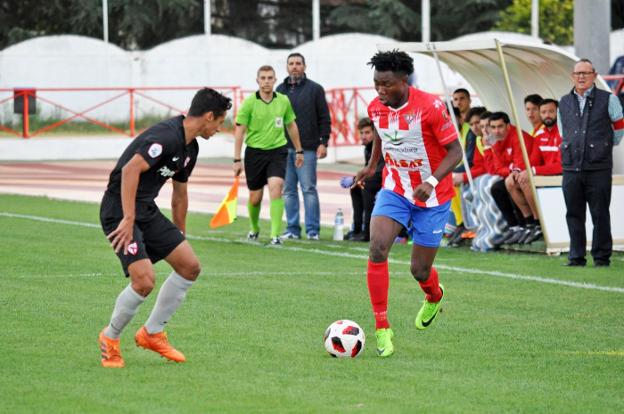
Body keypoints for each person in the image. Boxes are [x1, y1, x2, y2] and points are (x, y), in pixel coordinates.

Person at [97, 88, 232, 368]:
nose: (220, 128)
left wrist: (178, 234)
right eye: (220, 122)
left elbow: (179, 194)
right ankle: (110, 339)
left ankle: (152, 333)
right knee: (144, 281)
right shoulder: (166, 137)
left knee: (189, 266)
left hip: (145, 210)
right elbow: (130, 171)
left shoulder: (190, 148)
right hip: (119, 211)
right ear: (209, 116)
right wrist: (128, 218)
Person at [354, 50, 462, 358]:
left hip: (433, 196)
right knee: (377, 247)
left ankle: (434, 295)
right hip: (396, 189)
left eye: (386, 84)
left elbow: (455, 152)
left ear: (404, 81)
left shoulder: (430, 107)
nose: (380, 90)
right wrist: (373, 166)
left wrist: (430, 181)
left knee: (419, 269)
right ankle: (382, 327)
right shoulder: (376, 107)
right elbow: (379, 135)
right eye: (376, 83)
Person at [558, 58, 624, 267]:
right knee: (573, 213)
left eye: (586, 73)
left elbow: (619, 127)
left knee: (600, 213)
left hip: (599, 166)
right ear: (572, 76)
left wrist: (604, 145)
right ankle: (576, 256)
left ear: (595, 75)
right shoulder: (564, 102)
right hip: (571, 167)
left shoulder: (609, 99)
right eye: (578, 73)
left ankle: (601, 257)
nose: (581, 77)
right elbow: (563, 132)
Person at [234, 65, 305, 246]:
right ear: (257, 81)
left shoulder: (283, 100)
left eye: (270, 78)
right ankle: (254, 228)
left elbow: (291, 125)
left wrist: (299, 150)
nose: (266, 81)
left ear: (274, 80)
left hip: (277, 151)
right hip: (254, 153)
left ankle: (275, 235)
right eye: (263, 78)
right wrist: (236, 159)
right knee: (255, 198)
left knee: (276, 187)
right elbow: (240, 130)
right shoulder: (249, 102)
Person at [277, 53, 331, 241]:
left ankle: (312, 230)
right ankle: (292, 228)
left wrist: (324, 142)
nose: (294, 67)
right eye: (291, 63)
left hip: (308, 148)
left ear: (304, 67)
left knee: (308, 188)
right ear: (286, 67)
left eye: (298, 63)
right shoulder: (279, 90)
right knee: (289, 190)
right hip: (283, 148)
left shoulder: (315, 89)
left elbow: (324, 117)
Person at [505, 98, 562, 244]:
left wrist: (532, 171)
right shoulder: (540, 136)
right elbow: (533, 160)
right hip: (547, 176)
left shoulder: (564, 134)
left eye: (551, 111)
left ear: (558, 113)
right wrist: (518, 170)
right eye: (544, 112)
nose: (547, 115)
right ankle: (530, 222)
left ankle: (539, 224)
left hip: (562, 176)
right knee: (510, 182)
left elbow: (562, 165)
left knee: (527, 180)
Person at [488, 111, 534, 245]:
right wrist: (511, 169)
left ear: (508, 126)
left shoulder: (517, 136)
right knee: (497, 188)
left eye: (500, 126)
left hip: (530, 172)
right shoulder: (496, 142)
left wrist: (513, 169)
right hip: (516, 174)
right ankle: (515, 227)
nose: (497, 131)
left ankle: (529, 224)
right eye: (494, 127)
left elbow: (521, 162)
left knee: (511, 183)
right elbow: (497, 168)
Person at [345, 117, 384, 242]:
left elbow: (379, 170)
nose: (363, 136)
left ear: (375, 133)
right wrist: (356, 179)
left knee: (365, 187)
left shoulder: (379, 146)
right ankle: (356, 229)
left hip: (385, 179)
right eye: (361, 133)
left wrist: (359, 179)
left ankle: (367, 233)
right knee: (355, 187)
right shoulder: (367, 148)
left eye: (367, 133)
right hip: (374, 179)